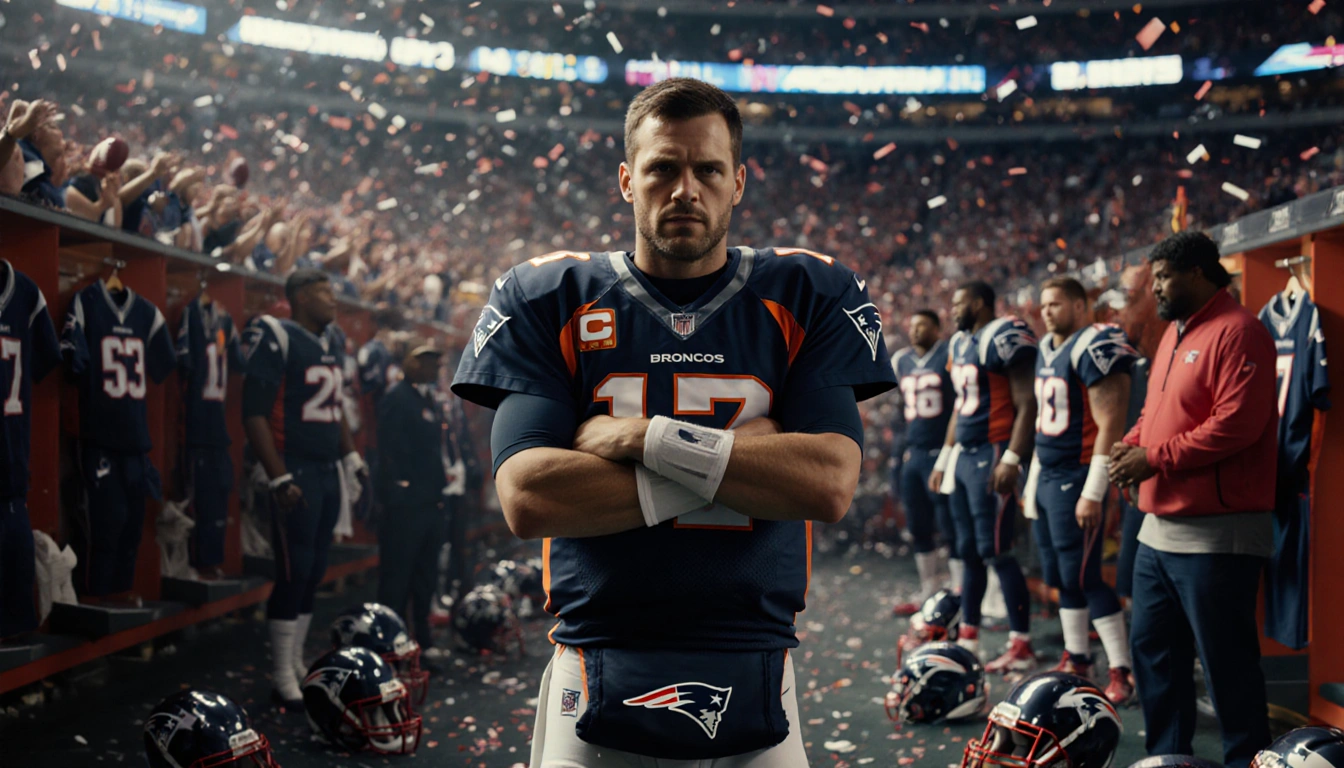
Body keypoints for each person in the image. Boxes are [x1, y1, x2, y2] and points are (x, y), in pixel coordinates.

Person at [451, 77, 896, 766]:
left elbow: (828, 484)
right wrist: (741, 454)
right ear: (628, 180)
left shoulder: (809, 291)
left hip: (758, 658)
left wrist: (643, 438)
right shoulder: (547, 295)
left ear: (738, 183)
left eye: (708, 170)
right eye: (663, 168)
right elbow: (530, 496)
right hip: (595, 654)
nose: (686, 189)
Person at [1108, 230, 1277, 768]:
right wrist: (1132, 445)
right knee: (1154, 656)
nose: (1155, 288)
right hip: (1158, 527)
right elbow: (1155, 412)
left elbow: (1238, 424)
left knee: (1226, 665)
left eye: (1163, 277)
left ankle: (1247, 760)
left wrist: (1154, 458)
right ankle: (1169, 759)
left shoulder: (1241, 331)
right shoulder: (1174, 334)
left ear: (1198, 273)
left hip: (1217, 532)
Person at [242, 268, 368, 709]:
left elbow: (334, 408)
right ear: (298, 297)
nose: (333, 300)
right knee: (293, 569)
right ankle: (281, 671)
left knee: (314, 570)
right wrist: (278, 476)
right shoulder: (276, 335)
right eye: (323, 292)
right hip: (293, 466)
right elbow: (253, 413)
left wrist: (351, 457)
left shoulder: (331, 340)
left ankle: (295, 660)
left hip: (326, 467)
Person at [1027, 277, 1136, 704]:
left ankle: (1121, 670)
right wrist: (1034, 480)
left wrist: (1094, 490)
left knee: (1085, 574)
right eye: (1044, 305)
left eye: (1055, 304)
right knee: (1061, 575)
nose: (1047, 312)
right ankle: (1077, 658)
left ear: (1078, 305)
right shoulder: (1045, 347)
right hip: (1048, 475)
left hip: (1078, 473)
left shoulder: (1094, 343)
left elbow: (1111, 423)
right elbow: (1043, 421)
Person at [927, 281, 1038, 674]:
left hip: (993, 451)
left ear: (978, 303)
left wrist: (1012, 457)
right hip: (965, 454)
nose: (953, 310)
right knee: (969, 550)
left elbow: (1027, 402)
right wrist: (945, 457)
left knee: (997, 551)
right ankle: (968, 638)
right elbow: (960, 405)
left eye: (959, 303)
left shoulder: (1003, 335)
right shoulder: (959, 343)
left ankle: (1021, 643)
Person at [375, 342, 449, 670]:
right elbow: (387, 448)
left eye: (434, 362)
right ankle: (389, 646)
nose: (431, 367)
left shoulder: (425, 398)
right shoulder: (397, 397)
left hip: (429, 500)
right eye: (424, 361)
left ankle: (422, 642)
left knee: (424, 577)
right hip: (406, 505)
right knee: (397, 578)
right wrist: (398, 489)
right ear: (408, 362)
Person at [890, 309, 956, 615]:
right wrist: (899, 451)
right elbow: (900, 410)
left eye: (923, 325)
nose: (915, 330)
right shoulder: (901, 360)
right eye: (913, 325)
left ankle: (959, 591)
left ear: (937, 328)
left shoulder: (948, 354)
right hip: (913, 452)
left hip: (941, 450)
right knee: (918, 525)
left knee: (949, 524)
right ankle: (928, 588)